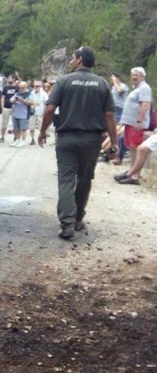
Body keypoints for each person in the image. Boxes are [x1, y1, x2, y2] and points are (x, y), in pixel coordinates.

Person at [38, 46, 117, 240]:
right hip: (92, 140)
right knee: (84, 179)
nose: (72, 61)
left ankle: (66, 224)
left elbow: (49, 109)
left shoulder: (64, 81)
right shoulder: (102, 84)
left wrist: (42, 131)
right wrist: (113, 143)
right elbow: (109, 115)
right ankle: (78, 219)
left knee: (66, 180)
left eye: (73, 58)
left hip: (67, 138)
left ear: (80, 59)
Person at [115, 67, 152, 165]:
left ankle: (134, 173)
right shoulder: (137, 87)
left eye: (137, 75)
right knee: (131, 147)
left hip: (136, 123)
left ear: (142, 76)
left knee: (135, 146)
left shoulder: (144, 87)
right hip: (130, 122)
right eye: (133, 75)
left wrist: (139, 121)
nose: (134, 77)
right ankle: (131, 171)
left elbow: (145, 105)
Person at [10, 80, 34, 147]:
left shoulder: (29, 94)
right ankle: (17, 140)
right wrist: (14, 100)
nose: (21, 89)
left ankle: (23, 141)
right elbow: (11, 100)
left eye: (22, 88)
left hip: (24, 114)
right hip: (16, 114)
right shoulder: (17, 94)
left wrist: (23, 101)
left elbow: (31, 102)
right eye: (20, 87)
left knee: (23, 129)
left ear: (26, 87)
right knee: (16, 128)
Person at [0, 74, 18, 143]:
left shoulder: (17, 88)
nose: (8, 79)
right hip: (6, 107)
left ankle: (15, 138)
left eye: (10, 78)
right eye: (8, 78)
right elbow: (3, 97)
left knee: (15, 124)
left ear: (13, 79)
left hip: (14, 108)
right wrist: (2, 107)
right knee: (4, 124)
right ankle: (2, 137)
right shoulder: (6, 88)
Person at [28, 80, 48, 145]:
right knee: (31, 128)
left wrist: (44, 113)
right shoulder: (31, 93)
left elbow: (46, 104)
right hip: (33, 112)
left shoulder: (44, 93)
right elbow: (29, 101)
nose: (35, 87)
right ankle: (32, 139)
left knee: (41, 128)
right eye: (34, 86)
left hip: (41, 113)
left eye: (37, 86)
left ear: (40, 86)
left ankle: (42, 138)